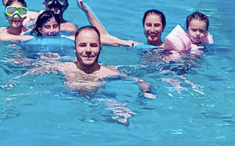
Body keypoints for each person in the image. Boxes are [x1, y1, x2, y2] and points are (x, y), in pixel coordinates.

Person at [23, 26, 153, 98]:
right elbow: (34, 72)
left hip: (101, 98)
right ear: (75, 48)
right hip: (62, 97)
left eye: (93, 45)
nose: (88, 50)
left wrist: (145, 91)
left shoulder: (109, 72)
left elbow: (138, 80)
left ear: (100, 48)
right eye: (83, 45)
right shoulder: (64, 67)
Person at [75, 0, 141, 46]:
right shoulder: (69, 36)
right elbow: (102, 37)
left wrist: (87, 10)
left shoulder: (70, 28)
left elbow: (102, 37)